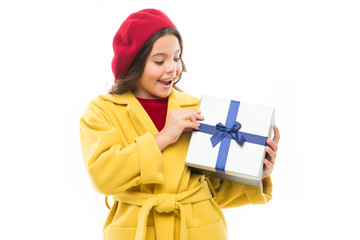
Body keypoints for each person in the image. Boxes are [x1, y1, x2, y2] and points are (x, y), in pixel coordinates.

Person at [79, 8, 280, 240]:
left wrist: (258, 172)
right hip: (136, 230)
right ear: (134, 63)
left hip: (200, 230)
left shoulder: (197, 109)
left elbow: (213, 189)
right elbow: (103, 177)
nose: (172, 68)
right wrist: (164, 137)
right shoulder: (102, 111)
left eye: (176, 57)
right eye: (159, 60)